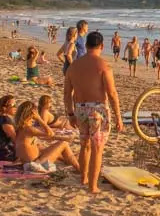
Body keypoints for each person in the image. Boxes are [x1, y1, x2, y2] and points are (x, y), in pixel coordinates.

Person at [63, 31, 122, 193]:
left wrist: (70, 113)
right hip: (97, 110)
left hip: (80, 109)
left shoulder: (73, 66)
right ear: (102, 46)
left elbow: (67, 93)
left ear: (87, 45)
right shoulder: (103, 66)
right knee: (98, 147)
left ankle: (84, 178)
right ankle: (93, 186)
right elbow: (112, 94)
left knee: (84, 145)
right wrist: (118, 117)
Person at [14, 100, 78, 174]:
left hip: (30, 163)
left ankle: (69, 160)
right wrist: (39, 119)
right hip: (35, 165)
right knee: (63, 143)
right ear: (32, 114)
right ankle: (79, 168)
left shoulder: (20, 129)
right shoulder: (29, 129)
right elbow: (50, 133)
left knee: (40, 146)